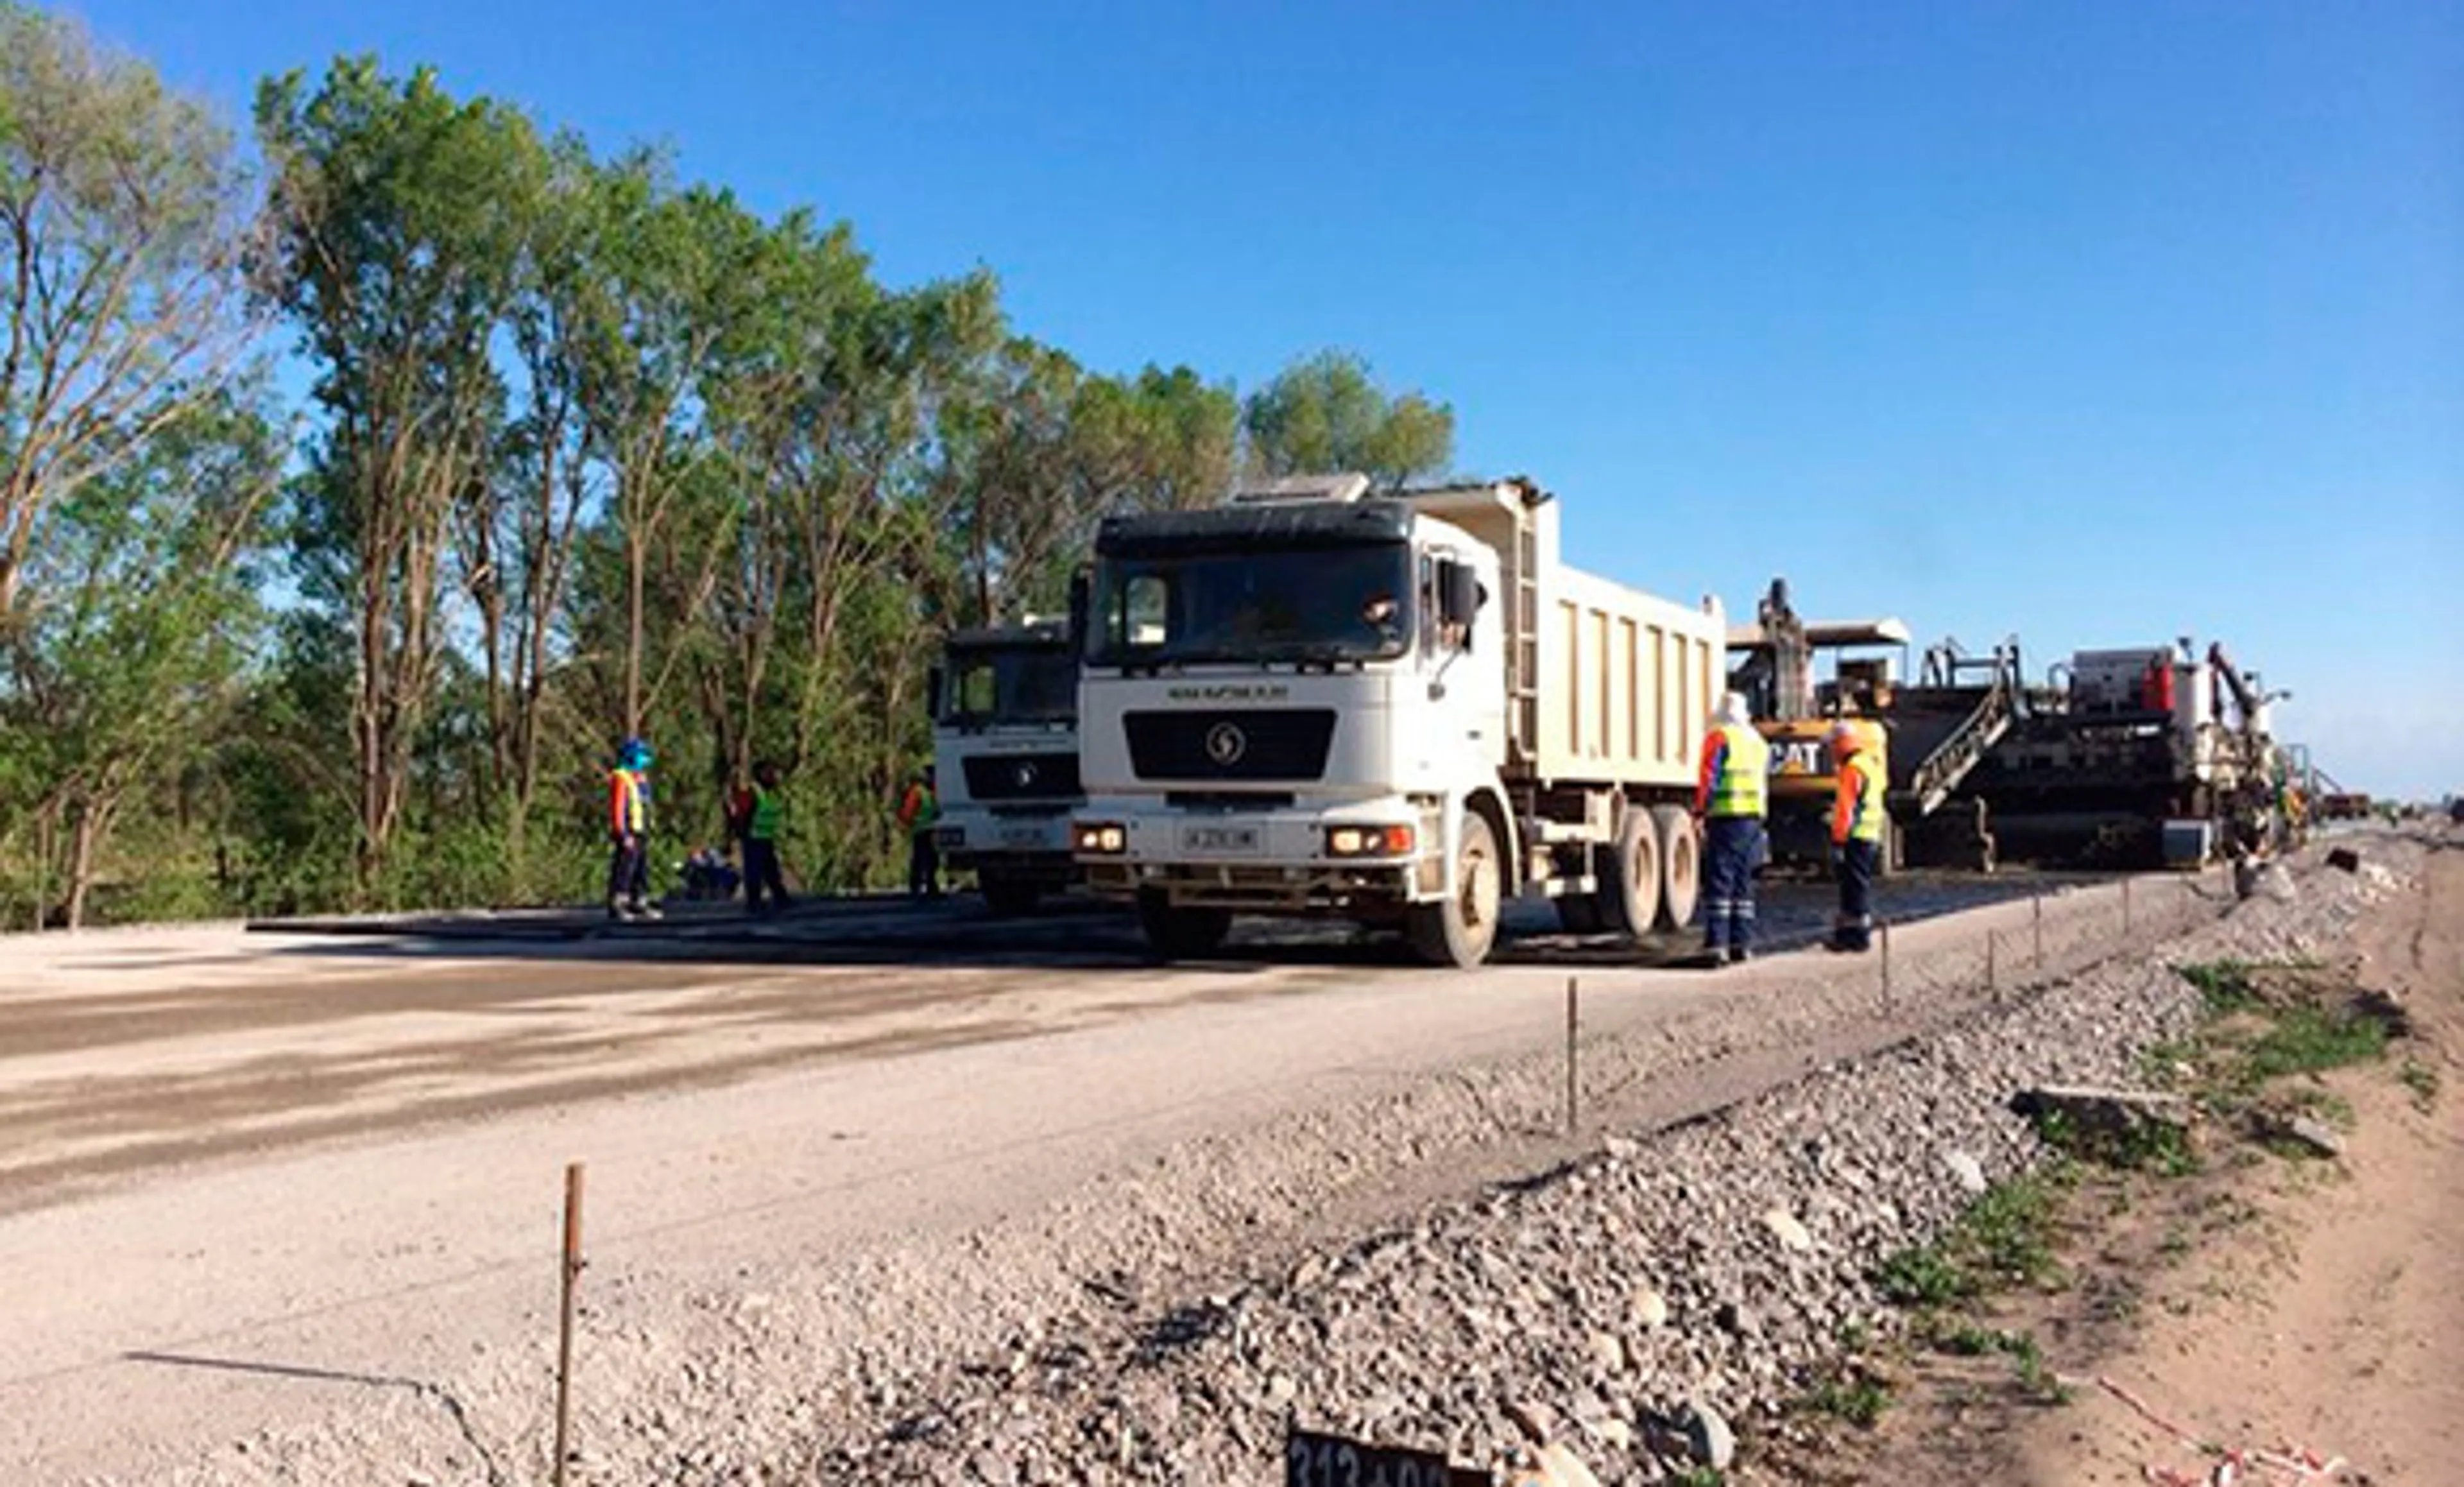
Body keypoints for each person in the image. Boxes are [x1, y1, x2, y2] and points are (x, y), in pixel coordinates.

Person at [1694, 692, 1771, 965]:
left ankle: (1717, 944)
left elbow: (1710, 777)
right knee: (1743, 882)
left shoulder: (1720, 738)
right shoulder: (1758, 742)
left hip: (1726, 817)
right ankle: (1742, 944)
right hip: (1753, 818)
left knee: (1720, 880)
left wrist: (1700, 811)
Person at [1826, 721, 1888, 952]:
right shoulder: (1869, 765)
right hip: (1870, 834)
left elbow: (1846, 809)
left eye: (1833, 745)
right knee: (1858, 886)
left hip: (1856, 836)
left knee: (1853, 889)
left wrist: (1838, 840)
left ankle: (1856, 937)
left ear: (1841, 744)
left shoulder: (1852, 769)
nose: (1831, 751)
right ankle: (1852, 934)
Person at [606, 737, 660, 921]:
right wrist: (622, 833)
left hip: (640, 830)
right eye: (641, 755)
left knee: (640, 869)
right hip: (628, 831)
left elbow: (644, 803)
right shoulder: (621, 776)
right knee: (624, 869)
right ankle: (619, 903)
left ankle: (639, 902)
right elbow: (618, 807)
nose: (645, 759)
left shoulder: (639, 777)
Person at [740, 760, 791, 915]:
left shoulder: (772, 793)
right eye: (769, 773)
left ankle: (780, 896)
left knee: (771, 869)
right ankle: (754, 901)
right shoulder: (754, 792)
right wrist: (743, 831)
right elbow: (744, 814)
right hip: (754, 837)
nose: (773, 776)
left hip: (766, 837)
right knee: (754, 871)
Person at [898, 764, 942, 900]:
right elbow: (907, 812)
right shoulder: (918, 791)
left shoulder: (934, 791)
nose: (932, 778)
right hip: (921, 831)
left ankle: (931, 887)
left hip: (932, 831)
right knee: (920, 859)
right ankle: (916, 888)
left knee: (932, 861)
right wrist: (909, 823)